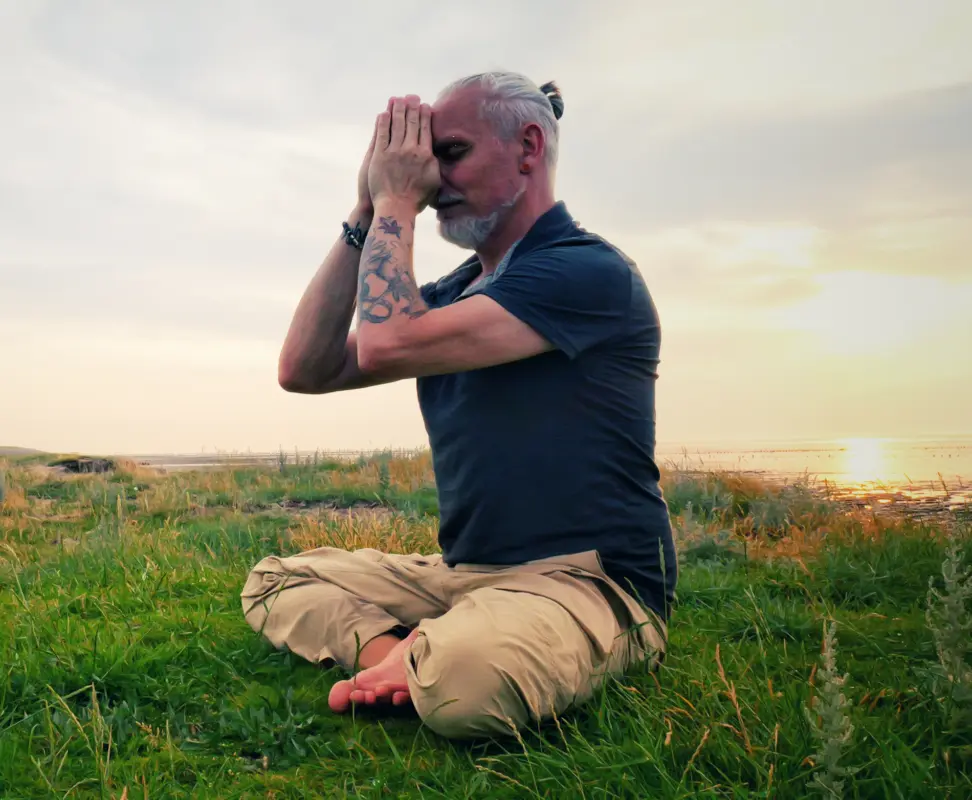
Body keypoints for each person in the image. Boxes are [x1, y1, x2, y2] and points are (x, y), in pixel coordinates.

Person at [241, 71, 678, 740]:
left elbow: (387, 345)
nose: (430, 180)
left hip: (589, 581)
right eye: (420, 159)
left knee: (467, 682)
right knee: (276, 581)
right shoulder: (452, 294)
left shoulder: (587, 273)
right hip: (465, 577)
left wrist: (394, 200)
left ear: (528, 147)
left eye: (450, 154)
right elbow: (305, 369)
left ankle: (440, 657)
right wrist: (365, 213)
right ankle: (403, 659)